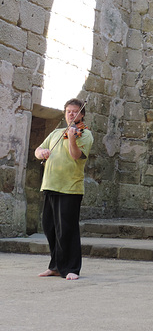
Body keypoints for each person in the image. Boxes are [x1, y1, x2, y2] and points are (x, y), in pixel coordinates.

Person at [34, 98, 93, 280]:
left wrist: (73, 140)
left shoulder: (85, 135)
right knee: (49, 227)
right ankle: (56, 266)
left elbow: (76, 156)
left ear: (81, 114)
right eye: (68, 111)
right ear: (65, 113)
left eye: (75, 112)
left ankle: (72, 268)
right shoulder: (56, 133)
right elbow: (38, 149)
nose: (71, 114)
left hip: (70, 188)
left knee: (67, 229)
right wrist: (41, 153)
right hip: (51, 184)